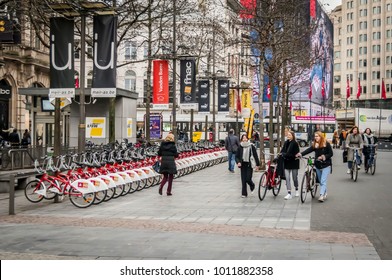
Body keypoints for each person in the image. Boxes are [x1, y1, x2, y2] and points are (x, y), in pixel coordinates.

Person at [296, 131, 333, 202]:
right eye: (315, 136)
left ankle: (321, 195)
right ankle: (324, 192)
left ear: (321, 137)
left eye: (317, 136)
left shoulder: (326, 144)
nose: (316, 138)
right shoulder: (315, 145)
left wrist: (323, 156)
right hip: (318, 165)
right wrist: (301, 154)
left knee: (323, 180)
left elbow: (331, 154)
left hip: (326, 164)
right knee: (320, 181)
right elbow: (309, 150)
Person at [281, 130, 300, 200]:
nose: (288, 136)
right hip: (287, 162)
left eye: (290, 135)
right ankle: (289, 193)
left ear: (293, 136)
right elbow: (283, 150)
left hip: (294, 162)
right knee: (287, 178)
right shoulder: (286, 142)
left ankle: (296, 189)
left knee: (295, 178)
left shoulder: (294, 143)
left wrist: (284, 154)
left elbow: (290, 153)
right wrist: (280, 154)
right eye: (288, 135)